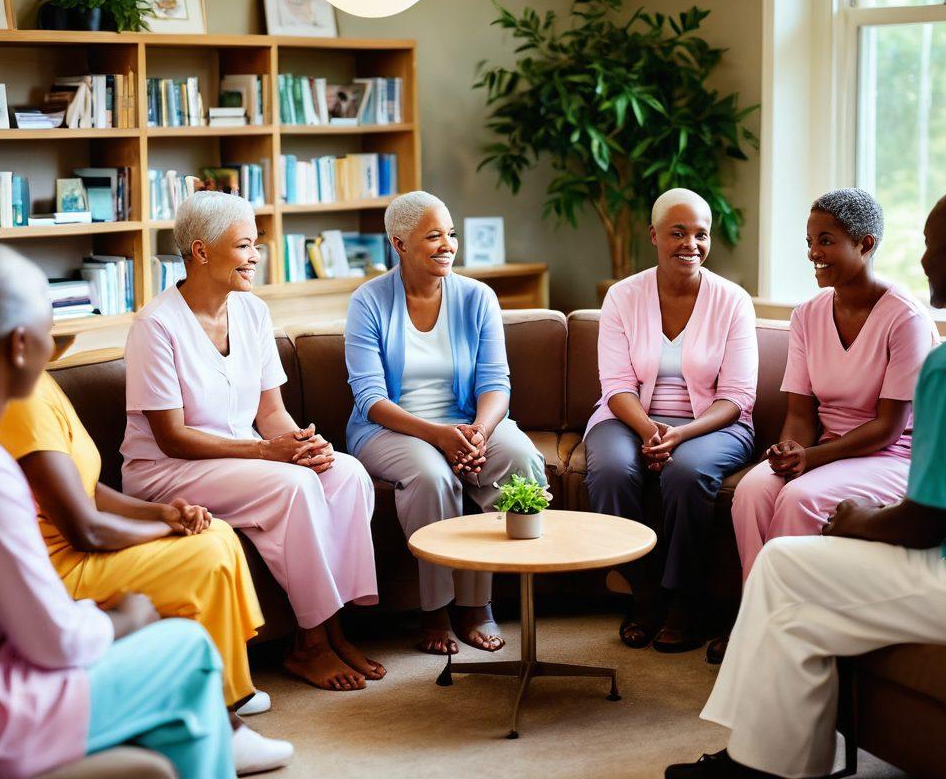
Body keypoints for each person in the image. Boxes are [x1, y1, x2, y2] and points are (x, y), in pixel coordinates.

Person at [669, 184, 946, 778]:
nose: (918, 261)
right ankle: (768, 761)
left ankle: (754, 764)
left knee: (786, 567)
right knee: (794, 592)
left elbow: (925, 520)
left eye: (927, 247)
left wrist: (857, 521)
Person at [0, 243, 234, 779]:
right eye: (49, 328)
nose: (52, 345)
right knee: (187, 649)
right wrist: (124, 617)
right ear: (21, 345)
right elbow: (57, 642)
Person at [120, 191, 382, 692]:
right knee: (294, 488)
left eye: (255, 244)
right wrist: (270, 453)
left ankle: (336, 627)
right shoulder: (155, 327)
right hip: (166, 472)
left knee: (345, 472)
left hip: (239, 459)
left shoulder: (253, 313)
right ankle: (311, 644)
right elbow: (172, 438)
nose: (256, 256)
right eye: (244, 246)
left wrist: (305, 445)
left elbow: (271, 413)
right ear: (201, 252)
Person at [0, 369, 294, 775]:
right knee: (202, 554)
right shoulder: (20, 400)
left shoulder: (41, 382)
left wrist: (164, 511)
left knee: (217, 533)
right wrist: (166, 526)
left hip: (78, 549)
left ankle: (227, 690)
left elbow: (86, 487)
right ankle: (222, 723)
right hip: (58, 568)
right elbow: (85, 531)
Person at [714, 189, 938, 662]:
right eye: (810, 240)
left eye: (827, 240)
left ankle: (776, 637)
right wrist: (788, 450)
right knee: (754, 491)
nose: (813, 252)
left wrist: (809, 461)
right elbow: (800, 412)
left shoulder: (906, 319)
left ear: (866, 243)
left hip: (891, 455)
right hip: (828, 449)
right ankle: (759, 618)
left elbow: (888, 427)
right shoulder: (808, 315)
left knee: (799, 497)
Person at [346, 190, 546, 655]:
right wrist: (439, 437)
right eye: (433, 236)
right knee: (432, 476)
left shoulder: (477, 297)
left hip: (466, 422)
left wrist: (477, 432)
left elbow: (497, 383)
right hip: (390, 429)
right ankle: (434, 610)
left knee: (518, 458)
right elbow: (370, 398)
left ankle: (477, 605)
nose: (447, 245)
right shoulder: (368, 302)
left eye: (450, 234)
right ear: (398, 243)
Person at [584, 188, 758, 652]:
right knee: (611, 470)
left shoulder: (733, 301)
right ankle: (642, 593)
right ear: (654, 235)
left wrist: (679, 434)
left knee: (688, 471)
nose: (691, 244)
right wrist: (648, 430)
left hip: (713, 424)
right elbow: (616, 385)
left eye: (701, 234)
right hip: (629, 417)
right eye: (678, 233)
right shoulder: (623, 296)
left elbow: (738, 397)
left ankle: (686, 601)